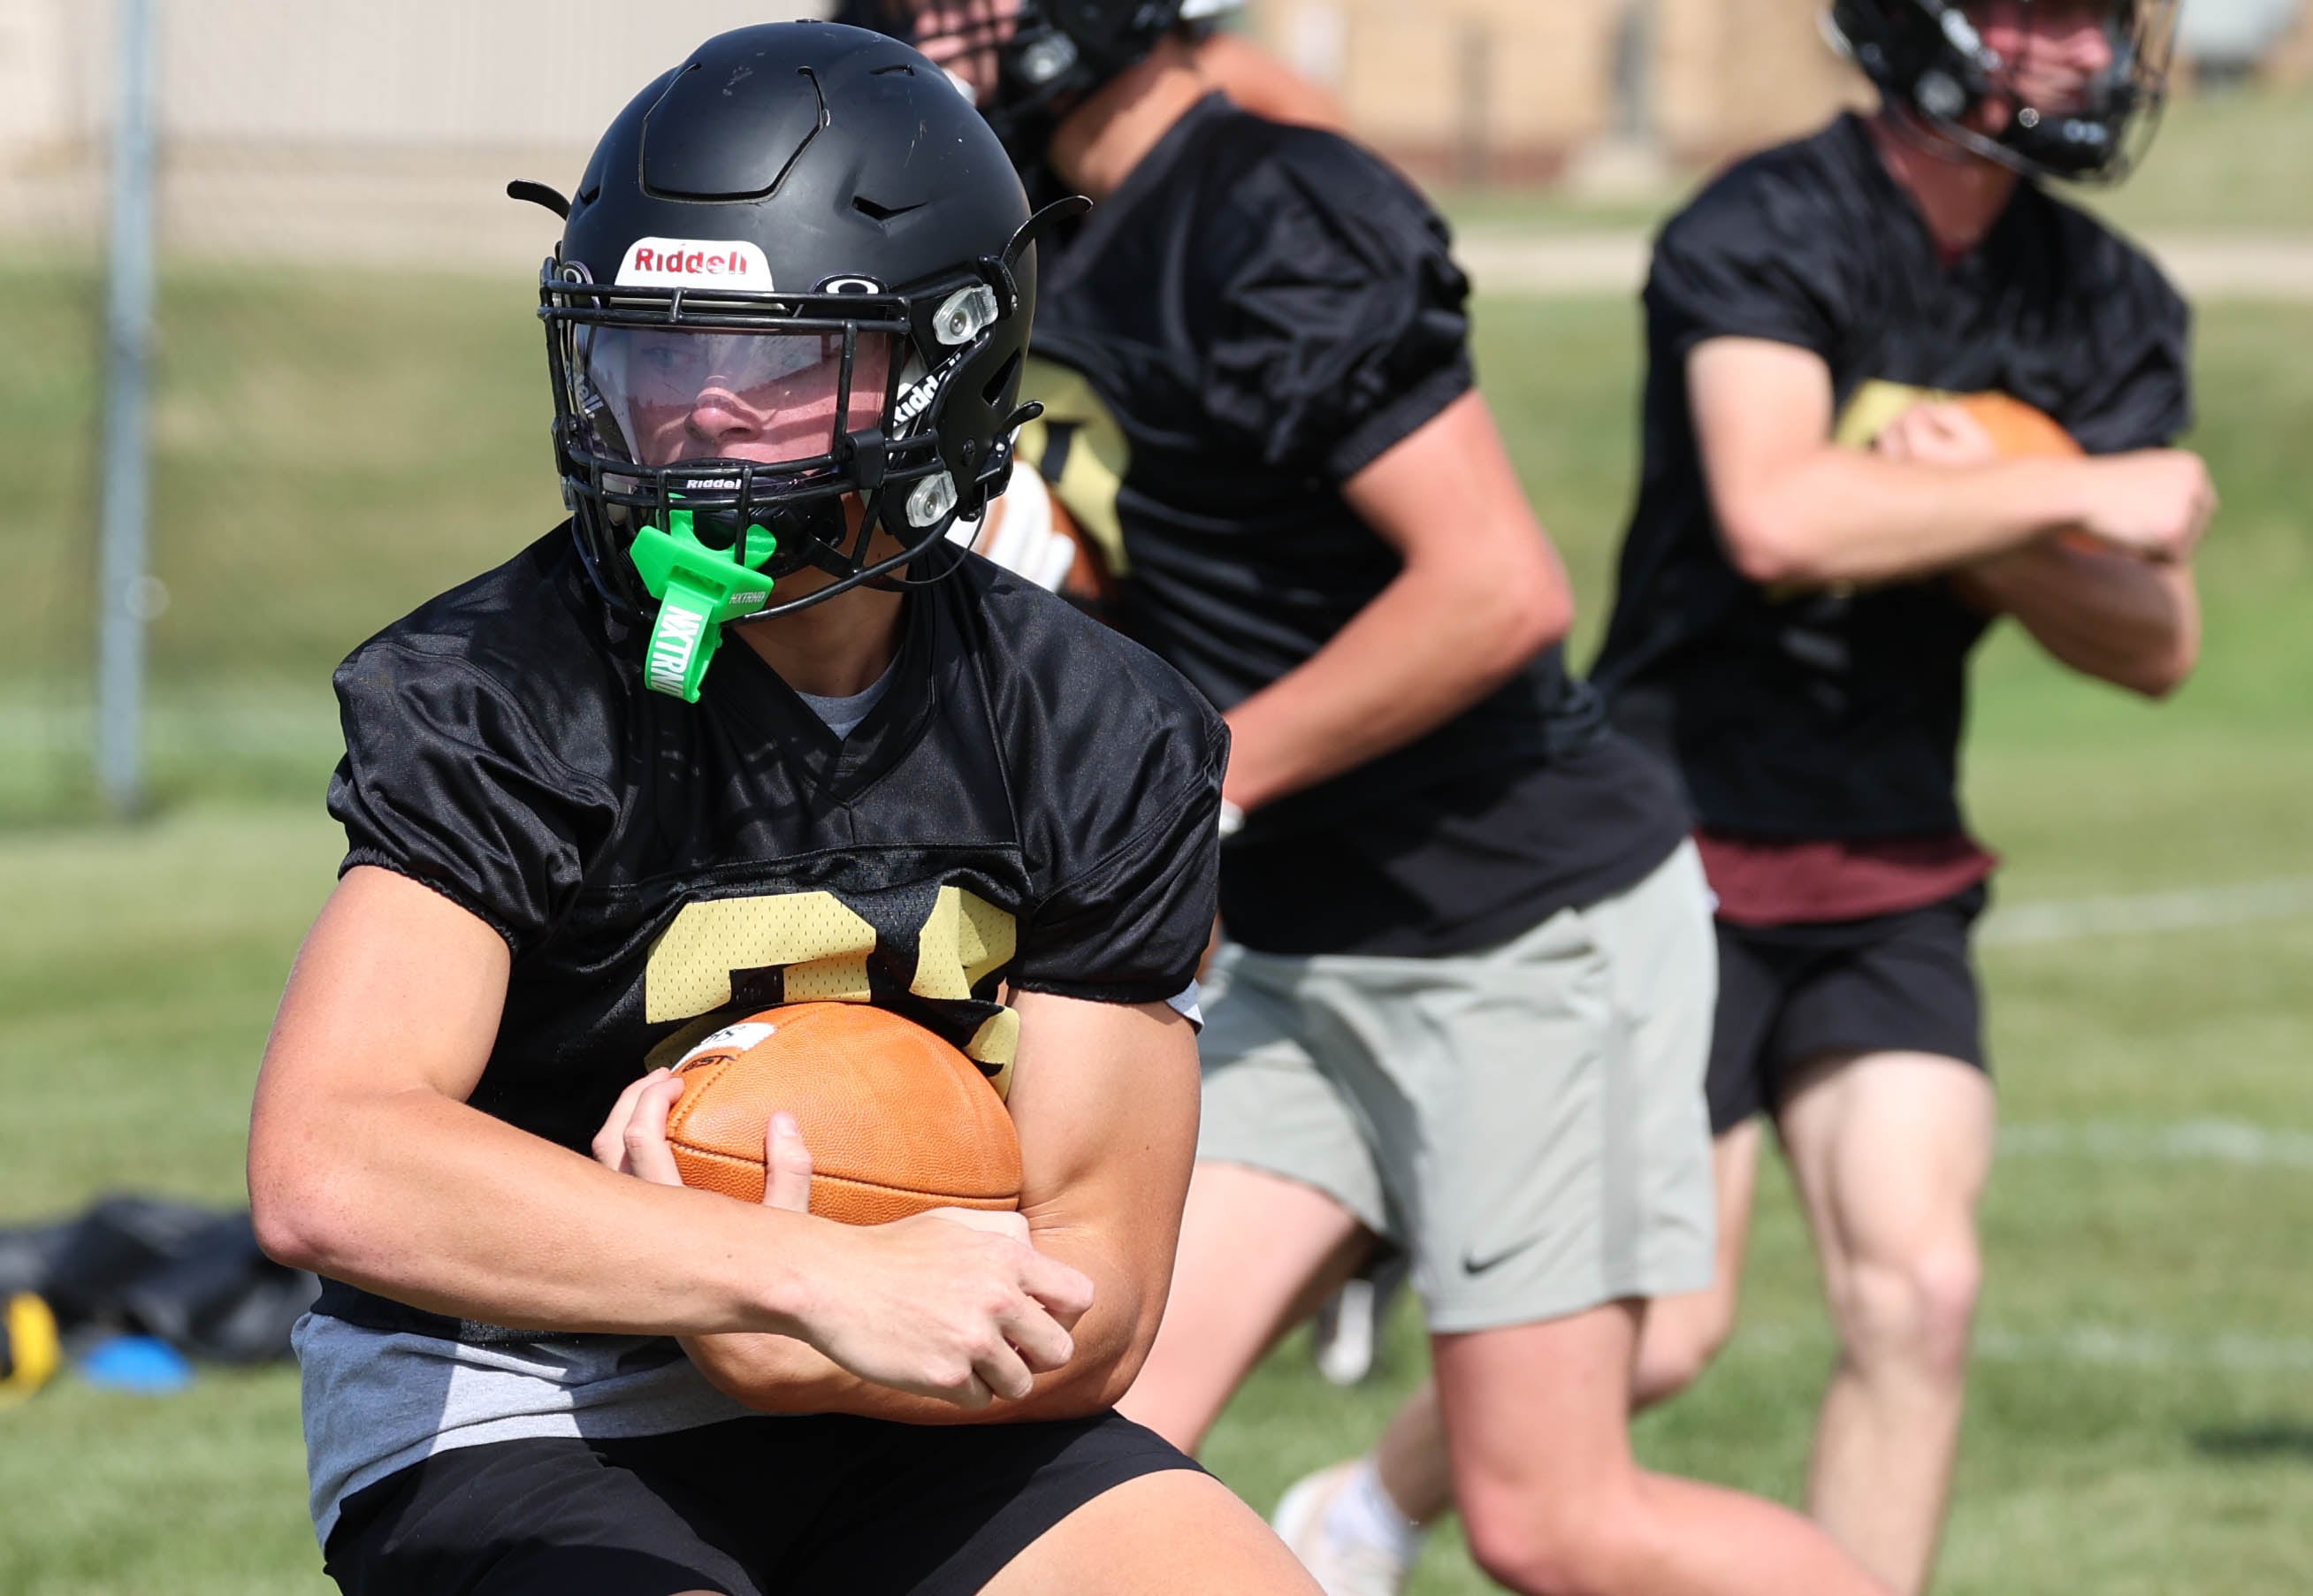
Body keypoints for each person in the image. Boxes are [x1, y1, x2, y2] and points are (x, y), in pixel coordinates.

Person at [246, 22, 1324, 1596]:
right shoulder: (510, 681)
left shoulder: (1098, 728)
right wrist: (790, 1275)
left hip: (927, 1386)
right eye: (654, 352)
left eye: (770, 365)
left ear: (944, 370)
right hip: (530, 1395)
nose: (697, 415)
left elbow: (1099, 1281)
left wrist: (827, 1332)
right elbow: (329, 1158)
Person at [849, 6, 1894, 1596]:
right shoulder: (1047, 228)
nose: (917, 34)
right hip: (1306, 950)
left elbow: (1493, 587)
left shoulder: (1266, 206)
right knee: (1061, 1440)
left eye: (951, 2)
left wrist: (1192, 787)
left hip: (1516, 933)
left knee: (1557, 1521)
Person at [1288, 3, 2212, 1592]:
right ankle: (1363, 1510)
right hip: (1671, 844)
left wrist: (1975, 515)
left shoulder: (2105, 296)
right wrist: (2058, 486)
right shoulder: (1763, 223)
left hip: (1895, 857)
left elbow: (2157, 640)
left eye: (2098, 18)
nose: (2080, 51)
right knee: (1659, 1332)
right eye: (2037, 11)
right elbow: (1776, 509)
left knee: (1920, 1289)